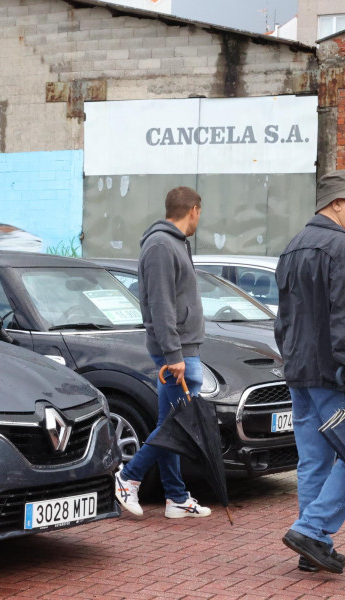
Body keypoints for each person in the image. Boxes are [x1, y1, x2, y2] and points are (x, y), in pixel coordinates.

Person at [273, 169, 345, 574]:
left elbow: (282, 321)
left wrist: (292, 361)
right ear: (336, 203)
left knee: (314, 462)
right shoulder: (342, 247)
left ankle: (312, 547)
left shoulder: (294, 246)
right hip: (335, 377)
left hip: (301, 375)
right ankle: (311, 529)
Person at [114, 186, 212, 519]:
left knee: (171, 422)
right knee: (175, 424)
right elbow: (160, 305)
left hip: (184, 348)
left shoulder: (174, 243)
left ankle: (176, 497)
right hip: (178, 352)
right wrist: (174, 356)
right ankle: (128, 477)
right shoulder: (160, 245)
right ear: (194, 210)